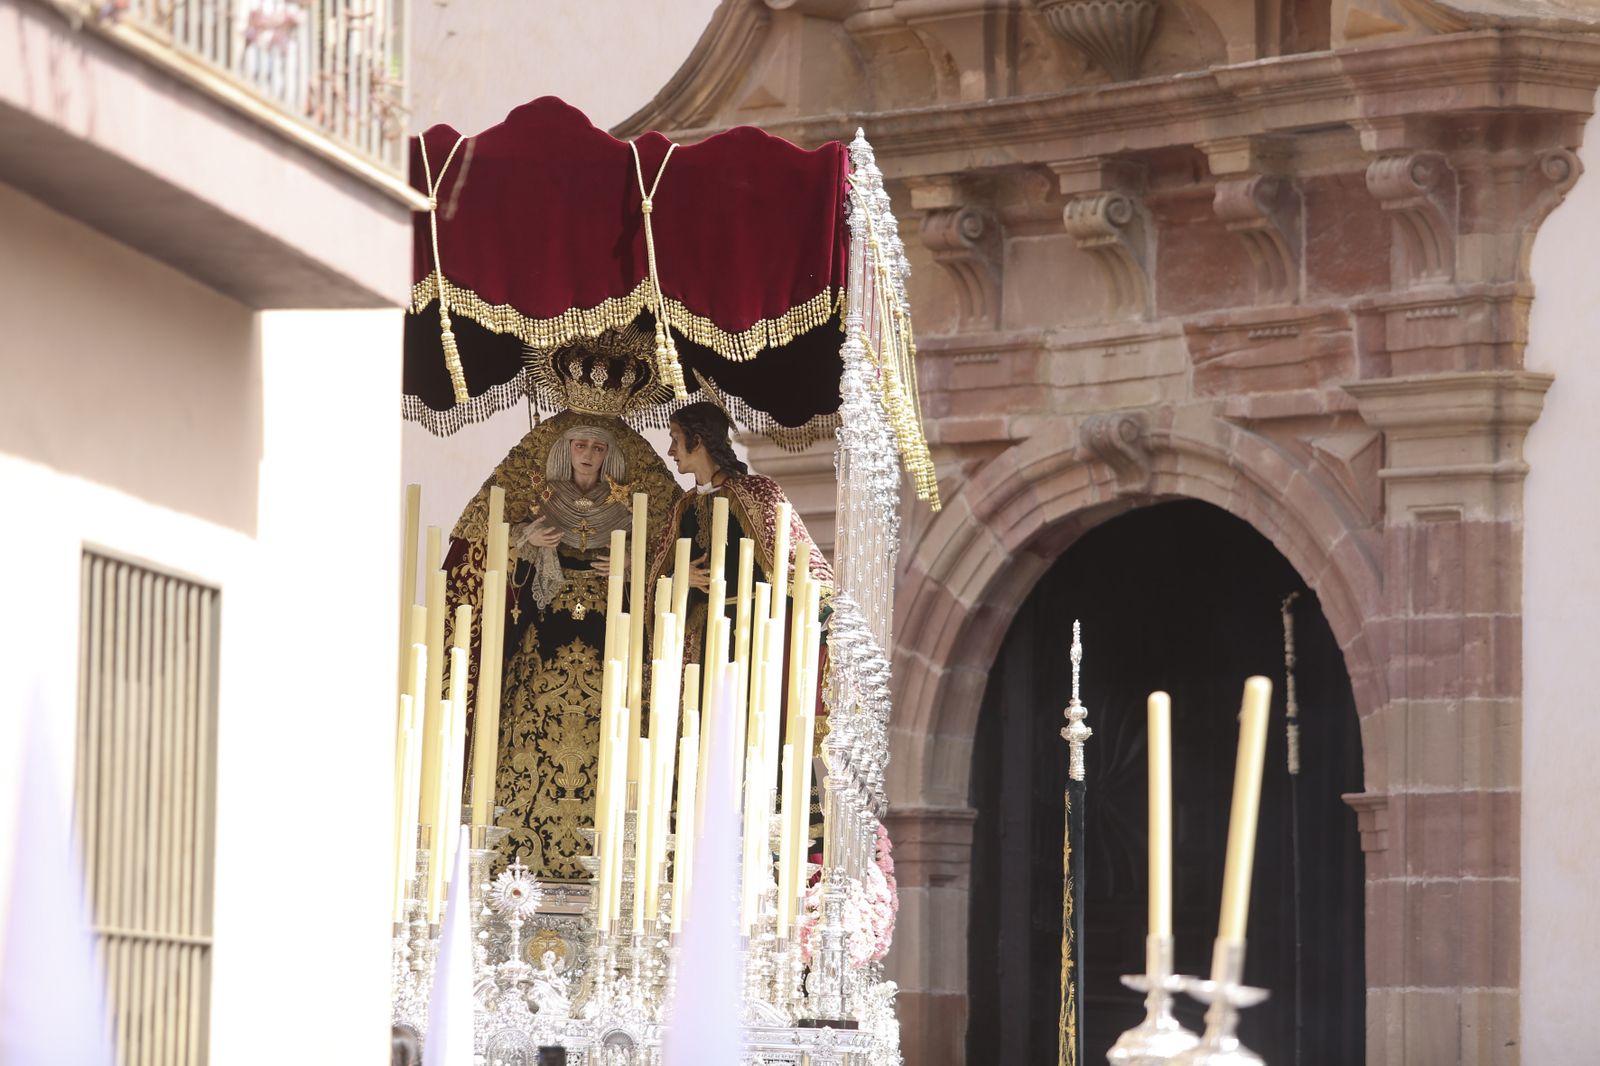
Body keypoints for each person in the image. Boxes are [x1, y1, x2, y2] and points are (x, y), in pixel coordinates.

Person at [444, 349, 681, 881]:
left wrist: (631, 568)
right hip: (541, 643)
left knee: (614, 743)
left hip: (610, 648)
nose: (589, 455)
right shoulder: (533, 495)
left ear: (612, 456)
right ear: (563, 449)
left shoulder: (639, 501)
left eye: (599, 447)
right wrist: (525, 542)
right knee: (523, 738)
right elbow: (478, 559)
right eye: (580, 444)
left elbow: (675, 565)